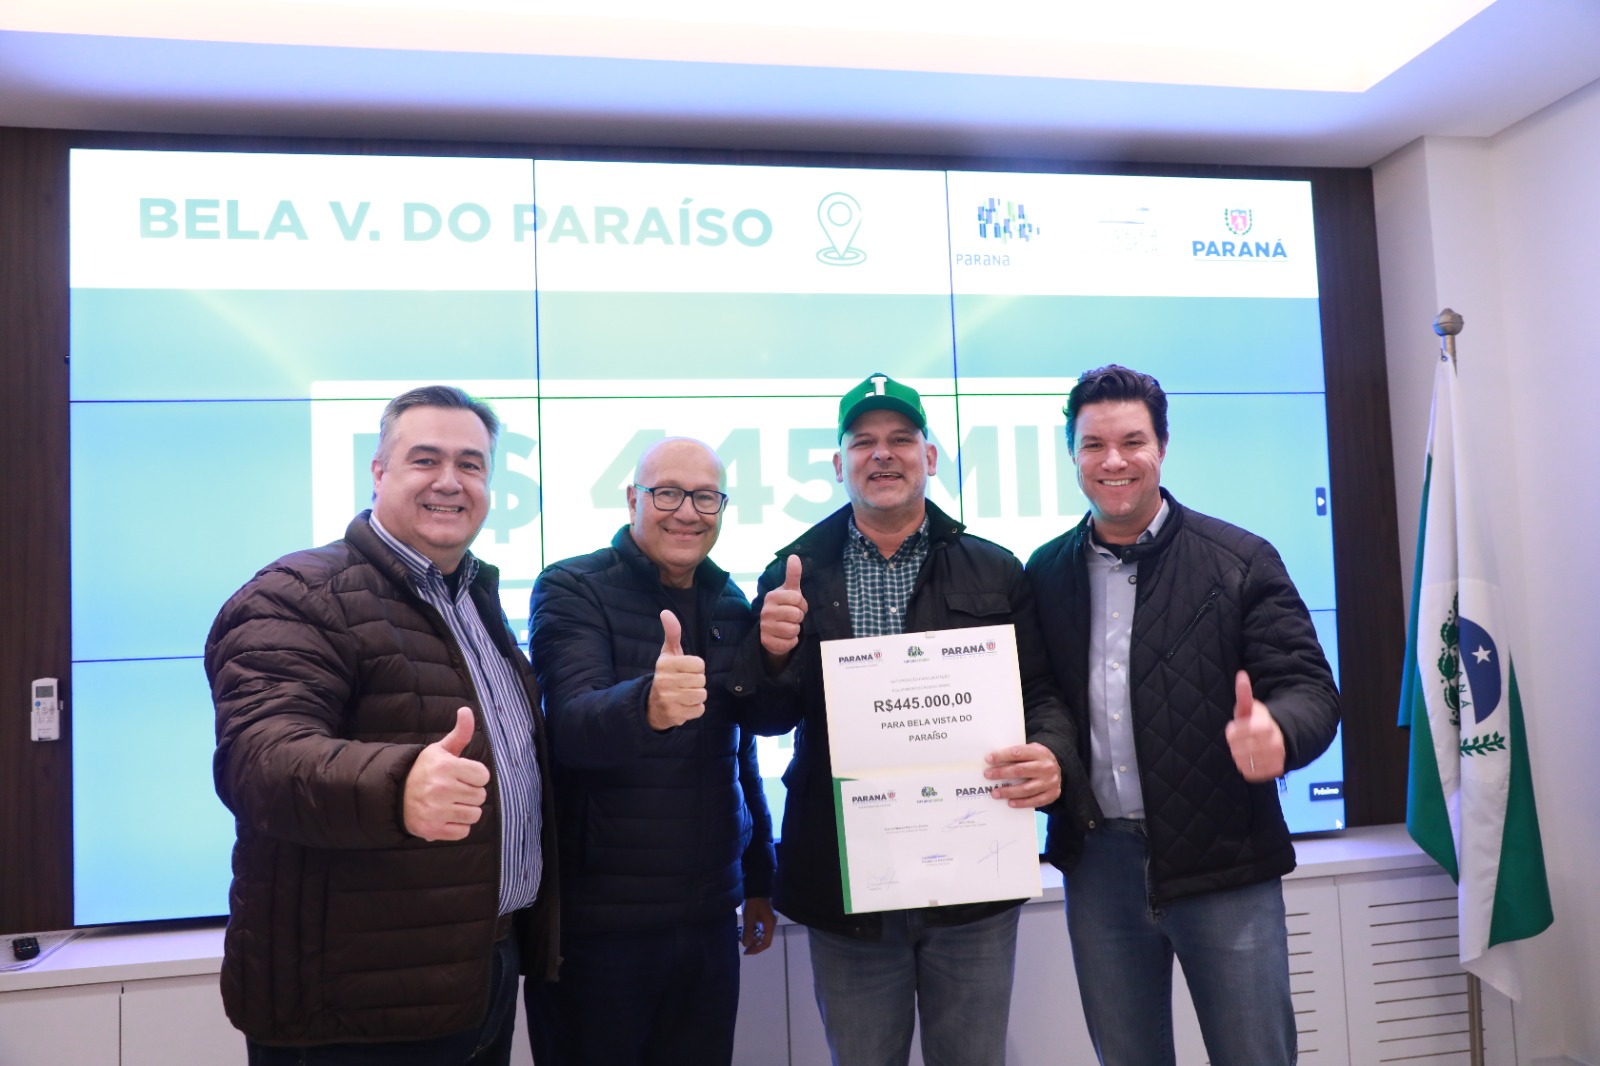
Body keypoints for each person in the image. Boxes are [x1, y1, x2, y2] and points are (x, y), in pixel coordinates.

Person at [206, 385, 556, 1066]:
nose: (450, 481)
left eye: (472, 464)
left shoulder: (473, 599)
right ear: (378, 472)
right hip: (355, 1005)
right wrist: (398, 786)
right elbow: (260, 759)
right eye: (426, 459)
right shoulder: (298, 593)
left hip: (478, 971)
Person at [740, 373, 1078, 1066]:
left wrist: (1051, 752)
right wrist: (769, 656)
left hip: (974, 879)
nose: (882, 454)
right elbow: (767, 720)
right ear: (839, 464)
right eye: (863, 441)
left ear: (929, 455)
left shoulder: (994, 568)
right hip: (845, 885)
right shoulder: (793, 574)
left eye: (900, 439)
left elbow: (1040, 692)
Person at [1027, 364, 1340, 1066]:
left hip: (1223, 861)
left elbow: (1310, 690)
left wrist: (1280, 733)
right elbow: (1038, 698)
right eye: (1093, 444)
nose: (1113, 461)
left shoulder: (1239, 560)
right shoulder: (1044, 573)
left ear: (1162, 448)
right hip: (1098, 865)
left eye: (1132, 441)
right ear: (1072, 454)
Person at [525, 437, 777, 1066]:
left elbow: (740, 751)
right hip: (599, 930)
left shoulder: (728, 601)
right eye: (667, 493)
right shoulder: (572, 586)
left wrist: (759, 879)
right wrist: (648, 706)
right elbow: (571, 727)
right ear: (633, 499)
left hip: (709, 920)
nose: (687, 512)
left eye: (706, 497)